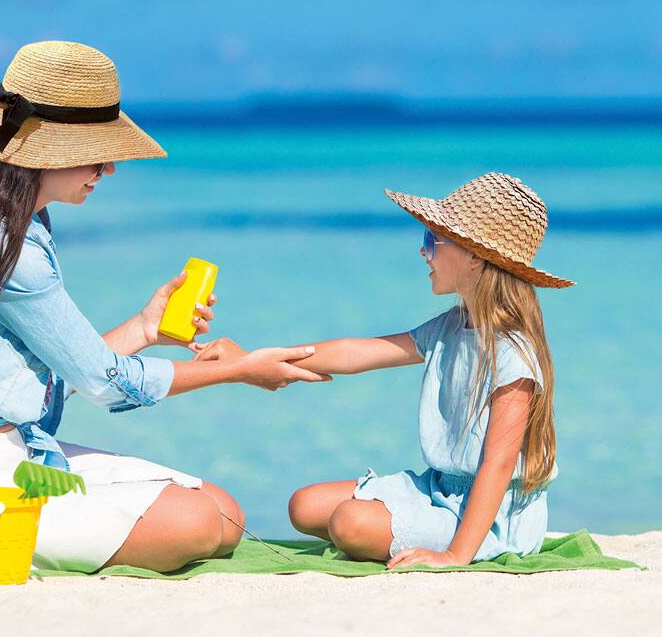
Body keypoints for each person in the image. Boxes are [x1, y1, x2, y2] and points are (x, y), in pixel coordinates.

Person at [0, 40, 327, 574]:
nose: (108, 169)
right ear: (48, 152)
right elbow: (101, 380)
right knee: (201, 524)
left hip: (18, 457)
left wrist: (144, 327)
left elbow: (55, 372)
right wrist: (237, 370)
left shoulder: (9, 224)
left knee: (223, 513)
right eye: (96, 151)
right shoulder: (7, 247)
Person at [196, 173, 573, 567]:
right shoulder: (449, 326)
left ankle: (445, 538)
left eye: (432, 240)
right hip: (439, 488)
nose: (422, 252)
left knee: (349, 523)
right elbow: (354, 354)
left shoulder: (513, 353)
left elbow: (496, 465)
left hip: (494, 514)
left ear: (475, 257)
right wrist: (249, 360)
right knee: (303, 506)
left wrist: (455, 556)